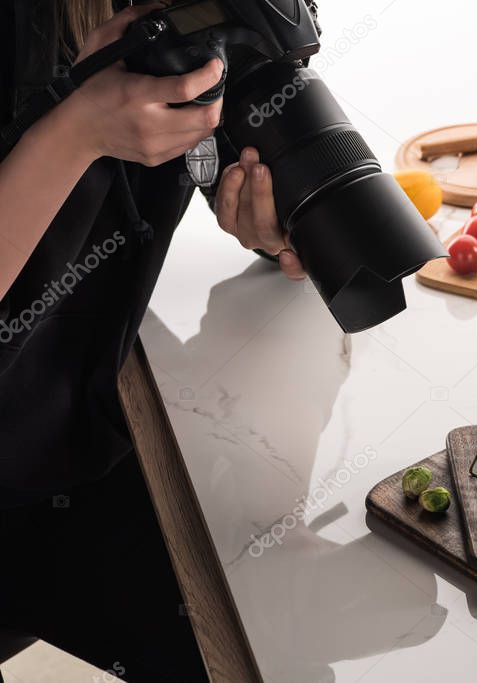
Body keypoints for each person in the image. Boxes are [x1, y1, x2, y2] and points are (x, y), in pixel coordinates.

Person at [0, 1, 311, 679]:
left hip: (82, 440)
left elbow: (210, 153)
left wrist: (266, 207)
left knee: (282, 631)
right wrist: (70, 135)